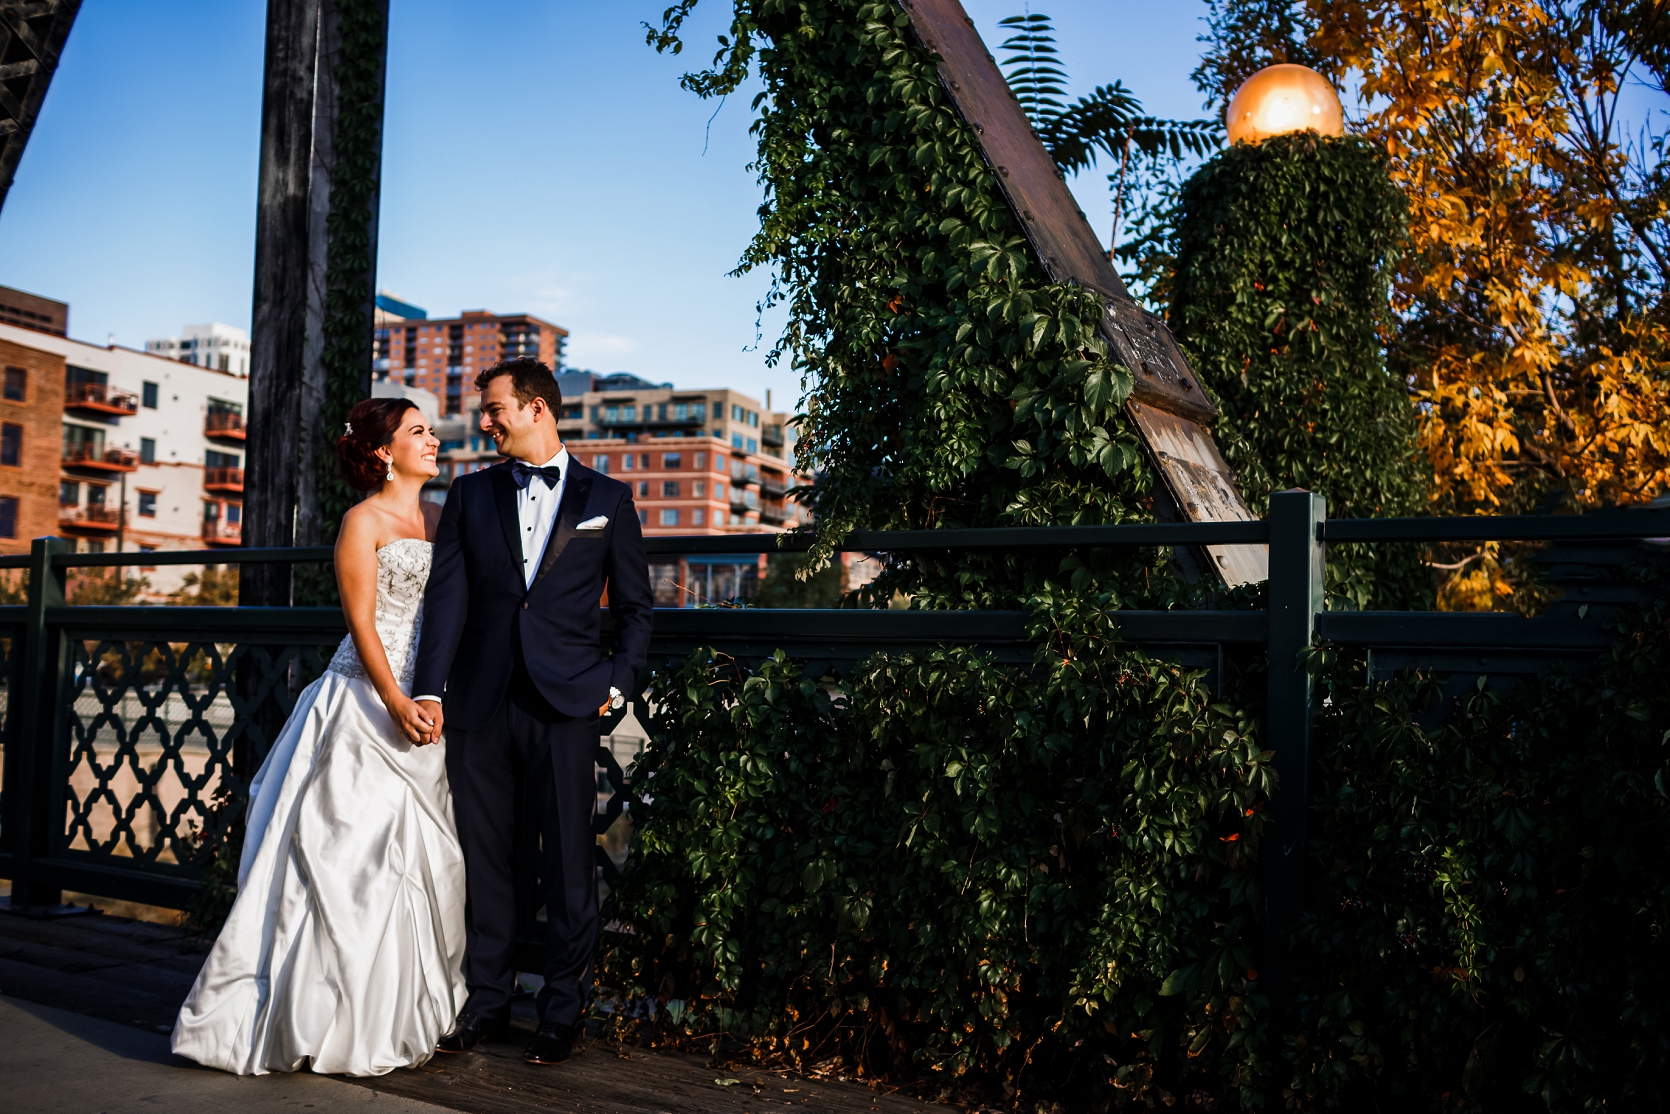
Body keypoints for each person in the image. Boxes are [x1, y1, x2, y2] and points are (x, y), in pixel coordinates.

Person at [171, 399, 465, 1077]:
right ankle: (313, 1017)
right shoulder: (361, 522)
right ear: (385, 451)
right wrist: (393, 697)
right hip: (365, 701)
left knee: (416, 865)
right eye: (419, 431)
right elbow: (362, 621)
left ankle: (392, 1012)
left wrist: (430, 695)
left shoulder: (447, 521)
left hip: (427, 705)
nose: (434, 440)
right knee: (339, 857)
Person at [412, 357, 652, 1066]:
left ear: (538, 408)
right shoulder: (470, 494)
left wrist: (617, 682)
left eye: (494, 410)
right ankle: (487, 1004)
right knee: (489, 863)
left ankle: (561, 1012)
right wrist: (431, 689)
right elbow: (446, 601)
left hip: (567, 703)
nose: (484, 422)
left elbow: (636, 610)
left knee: (570, 866)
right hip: (481, 704)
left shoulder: (609, 497)